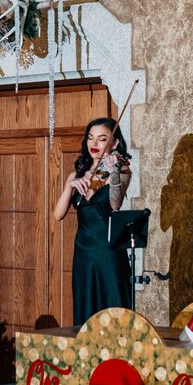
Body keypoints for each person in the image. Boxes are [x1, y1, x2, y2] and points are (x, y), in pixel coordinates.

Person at [52, 117, 133, 325]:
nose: (94, 144)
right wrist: (70, 186)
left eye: (102, 139)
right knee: (86, 309)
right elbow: (58, 214)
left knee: (113, 311)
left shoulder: (122, 170)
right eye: (90, 138)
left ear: (114, 144)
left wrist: (114, 173)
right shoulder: (76, 175)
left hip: (109, 252)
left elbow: (115, 204)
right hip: (83, 253)